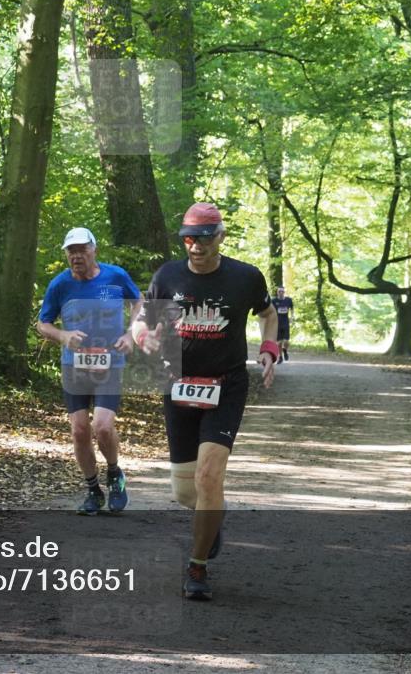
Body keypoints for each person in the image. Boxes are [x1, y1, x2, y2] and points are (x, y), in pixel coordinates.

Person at [131, 203, 278, 600]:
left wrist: (268, 348)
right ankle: (212, 518)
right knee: (185, 494)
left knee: (208, 477)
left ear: (221, 237)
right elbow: (140, 319)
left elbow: (267, 314)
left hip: (226, 386)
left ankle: (197, 567)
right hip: (177, 383)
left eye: (205, 237)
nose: (196, 246)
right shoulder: (168, 276)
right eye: (189, 238)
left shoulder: (245, 277)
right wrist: (144, 337)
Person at [37, 227, 143, 515]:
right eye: (71, 251)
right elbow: (43, 323)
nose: (77, 256)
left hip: (109, 364)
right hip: (75, 367)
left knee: (103, 427)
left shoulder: (115, 276)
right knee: (80, 430)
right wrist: (63, 336)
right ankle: (93, 490)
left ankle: (114, 472)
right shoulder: (59, 285)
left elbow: (139, 303)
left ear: (94, 250)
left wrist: (131, 334)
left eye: (82, 249)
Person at [271, 286, 294, 362]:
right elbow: (271, 310)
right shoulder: (274, 301)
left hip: (285, 322)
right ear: (277, 292)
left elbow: (292, 309)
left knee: (286, 341)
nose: (281, 293)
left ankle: (285, 350)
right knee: (279, 342)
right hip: (277, 323)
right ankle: (280, 357)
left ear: (284, 292)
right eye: (279, 291)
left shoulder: (288, 300)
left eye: (282, 291)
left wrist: (292, 317)